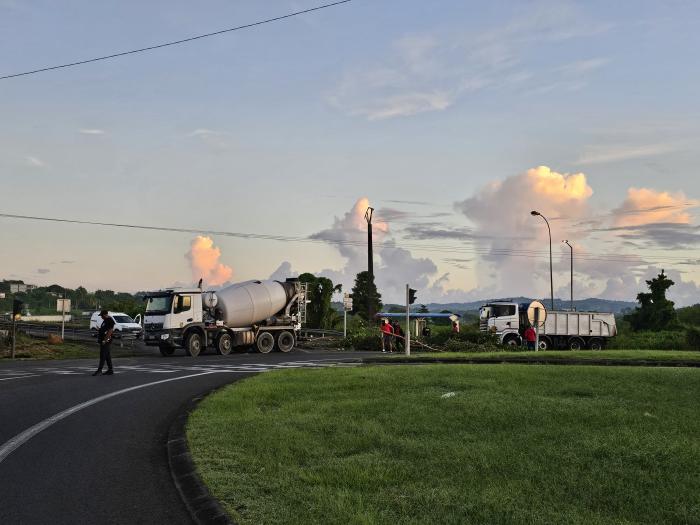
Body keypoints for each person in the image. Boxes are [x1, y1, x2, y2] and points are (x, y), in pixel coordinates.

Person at [93, 310, 115, 376]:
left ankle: (99, 370)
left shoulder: (109, 320)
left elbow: (110, 331)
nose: (101, 317)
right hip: (103, 340)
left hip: (106, 341)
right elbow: (104, 329)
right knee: (107, 355)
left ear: (105, 315)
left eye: (102, 316)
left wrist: (105, 340)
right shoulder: (105, 320)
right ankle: (110, 370)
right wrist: (99, 329)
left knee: (102, 355)